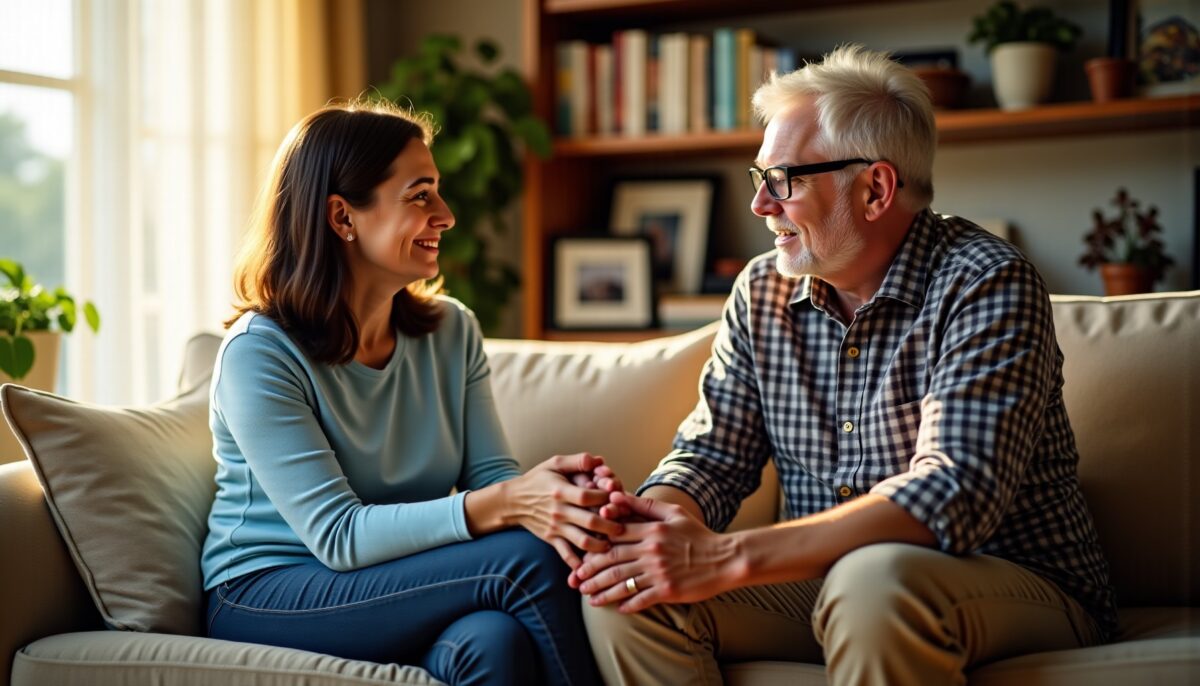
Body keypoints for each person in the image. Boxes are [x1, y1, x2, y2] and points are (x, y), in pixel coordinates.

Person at [573, 45, 1115, 685]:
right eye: (761, 179)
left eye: (785, 181)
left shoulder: (986, 282)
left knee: (872, 579)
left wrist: (725, 557)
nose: (761, 206)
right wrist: (654, 526)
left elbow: (952, 491)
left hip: (1009, 581)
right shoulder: (761, 291)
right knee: (626, 589)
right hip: (823, 585)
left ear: (875, 189)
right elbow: (712, 457)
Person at [200, 101, 618, 686]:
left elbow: (491, 481)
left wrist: (557, 499)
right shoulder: (260, 353)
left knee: (491, 644)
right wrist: (513, 505)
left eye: (438, 192)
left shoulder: (452, 331)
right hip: (265, 592)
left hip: (394, 578)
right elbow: (338, 536)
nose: (446, 215)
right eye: (420, 195)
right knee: (527, 563)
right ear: (343, 217)